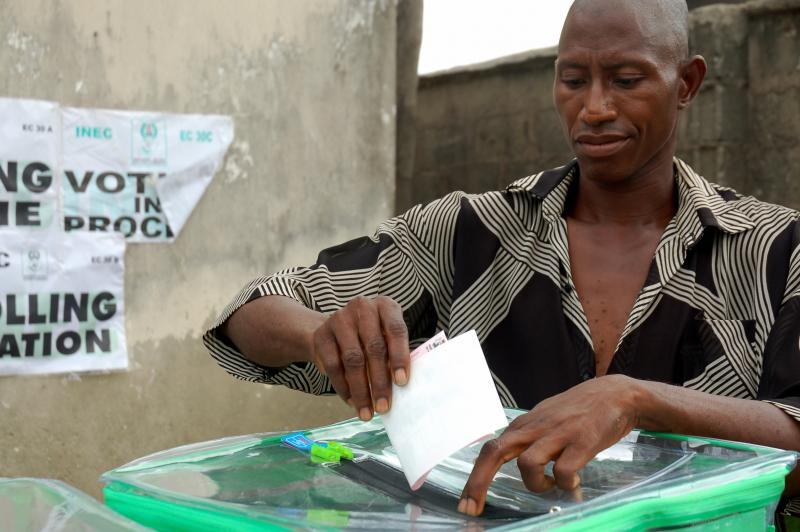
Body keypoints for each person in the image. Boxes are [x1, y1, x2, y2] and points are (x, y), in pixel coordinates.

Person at [204, 0, 800, 519]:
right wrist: (322, 332)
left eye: (626, 80)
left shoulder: (775, 250)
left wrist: (635, 401)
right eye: (573, 80)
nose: (593, 108)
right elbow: (247, 316)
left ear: (687, 83)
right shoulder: (468, 232)